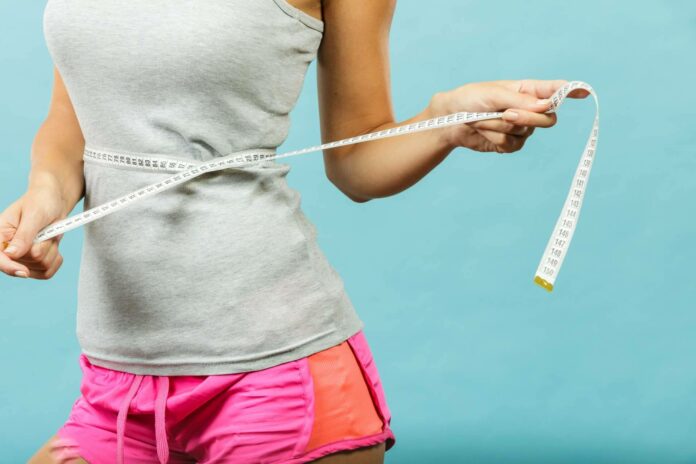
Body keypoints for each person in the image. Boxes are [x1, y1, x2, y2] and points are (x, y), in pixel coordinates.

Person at [3, 0, 587, 463]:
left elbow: (356, 165)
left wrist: (443, 121)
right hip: (120, 377)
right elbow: (72, 122)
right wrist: (45, 197)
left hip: (273, 375)